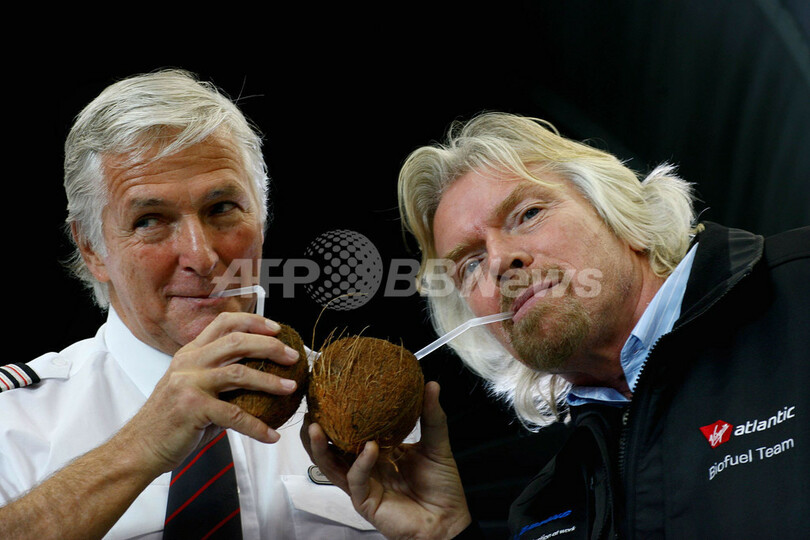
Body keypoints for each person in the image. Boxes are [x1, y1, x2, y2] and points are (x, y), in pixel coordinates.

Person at [302, 112, 810, 539]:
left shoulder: (799, 290)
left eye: (528, 214)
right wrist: (445, 535)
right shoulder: (546, 511)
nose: (499, 261)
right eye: (470, 264)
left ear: (615, 208)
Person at [0, 69, 386, 539]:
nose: (201, 257)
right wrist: (141, 445)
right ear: (91, 249)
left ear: (262, 217)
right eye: (150, 220)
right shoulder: (11, 423)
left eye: (221, 208)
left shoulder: (361, 405)